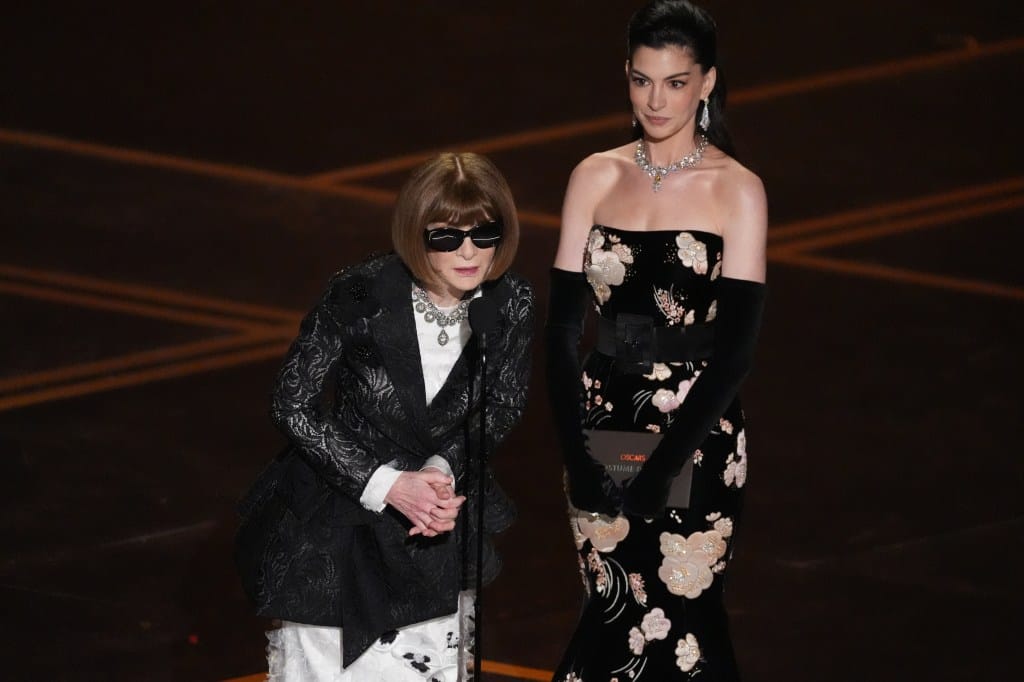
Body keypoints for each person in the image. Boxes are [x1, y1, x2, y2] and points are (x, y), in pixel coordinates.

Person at [234, 152, 534, 681]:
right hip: (339, 526)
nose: (469, 252)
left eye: (484, 234)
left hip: (434, 528)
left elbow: (502, 403)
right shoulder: (361, 292)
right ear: (417, 234)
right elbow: (292, 402)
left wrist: (443, 468)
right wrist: (387, 484)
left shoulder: (510, 300)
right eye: (447, 237)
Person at [546, 1, 766, 679]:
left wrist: (663, 468)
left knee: (686, 618)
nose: (656, 100)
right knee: (612, 611)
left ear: (707, 82)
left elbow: (735, 354)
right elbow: (561, 332)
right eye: (642, 80)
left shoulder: (738, 191)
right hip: (603, 423)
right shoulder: (594, 175)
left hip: (696, 429)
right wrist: (578, 455)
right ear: (627, 75)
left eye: (675, 82)